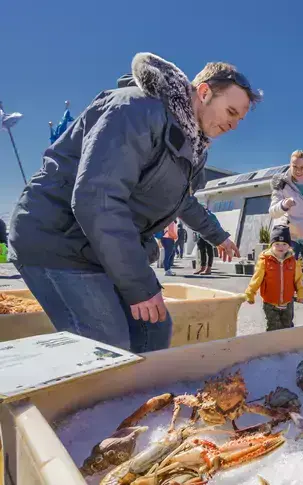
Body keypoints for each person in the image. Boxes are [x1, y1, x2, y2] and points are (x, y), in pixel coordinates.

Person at [7, 53, 258, 353]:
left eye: (239, 119)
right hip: (56, 240)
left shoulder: (193, 147)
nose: (233, 125)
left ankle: (141, 399)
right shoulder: (136, 110)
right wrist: (139, 286)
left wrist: (218, 235)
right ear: (204, 92)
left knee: (154, 328)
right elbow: (97, 199)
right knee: (109, 344)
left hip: (96, 246)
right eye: (231, 112)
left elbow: (182, 202)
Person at [269, 150, 303, 323]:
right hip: (290, 237)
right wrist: (284, 204)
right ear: (290, 165)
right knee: (285, 281)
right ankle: (285, 322)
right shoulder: (281, 184)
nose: (298, 170)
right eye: (295, 166)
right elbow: (272, 211)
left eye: (302, 167)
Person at [244, 225, 303, 331]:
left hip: (288, 302)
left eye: (284, 244)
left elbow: (298, 279)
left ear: (289, 246)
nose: (280, 247)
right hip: (270, 303)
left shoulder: (293, 262)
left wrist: (301, 292)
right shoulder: (265, 260)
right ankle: (273, 345)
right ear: (271, 245)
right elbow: (257, 278)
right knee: (274, 327)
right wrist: (250, 293)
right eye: (277, 244)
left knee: (288, 326)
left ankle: (286, 345)